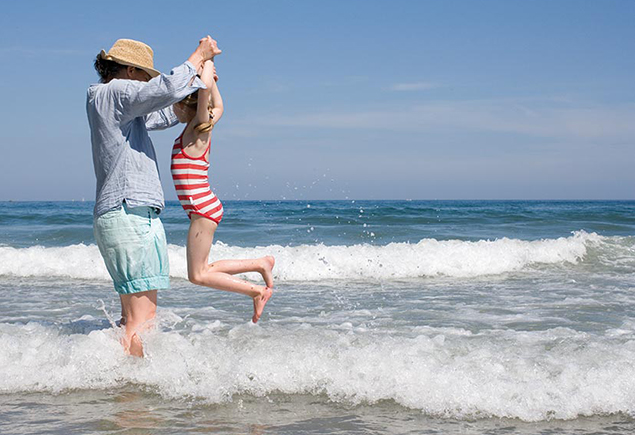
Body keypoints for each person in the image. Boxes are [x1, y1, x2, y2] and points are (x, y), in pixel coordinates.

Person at [87, 37, 220, 357]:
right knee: (141, 322)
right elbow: (160, 91)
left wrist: (201, 84)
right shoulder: (113, 92)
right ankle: (134, 400)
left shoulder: (116, 105)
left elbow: (168, 112)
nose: (147, 83)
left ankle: (125, 390)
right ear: (130, 70)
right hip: (128, 212)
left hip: (128, 214)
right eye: (145, 76)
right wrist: (197, 57)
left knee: (133, 320)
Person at [171, 59, 274, 323]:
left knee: (198, 275)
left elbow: (205, 94)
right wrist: (211, 72)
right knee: (204, 269)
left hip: (202, 210)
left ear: (185, 105)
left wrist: (206, 67)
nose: (172, 110)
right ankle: (260, 263)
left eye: (175, 104)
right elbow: (218, 105)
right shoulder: (200, 126)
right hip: (205, 207)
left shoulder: (196, 128)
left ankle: (256, 291)